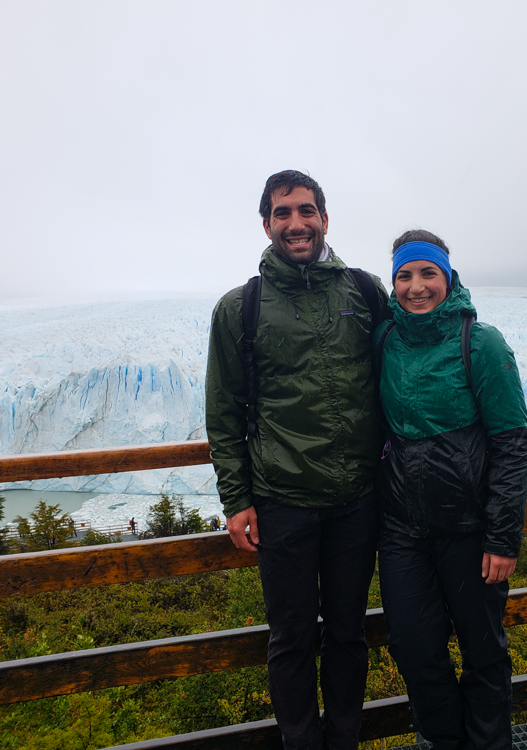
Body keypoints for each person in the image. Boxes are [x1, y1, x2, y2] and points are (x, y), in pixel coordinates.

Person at [205, 170, 389, 750]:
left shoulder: (362, 291)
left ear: (325, 220)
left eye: (306, 211)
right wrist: (236, 501)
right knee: (289, 638)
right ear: (266, 225)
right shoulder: (242, 307)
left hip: (357, 499)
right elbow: (225, 410)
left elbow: (401, 375)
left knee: (347, 634)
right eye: (283, 213)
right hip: (282, 502)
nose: (296, 223)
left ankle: (344, 740)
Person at [375, 230, 527, 750]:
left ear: (447, 277)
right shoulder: (385, 341)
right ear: (394, 281)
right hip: (403, 530)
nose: (416, 287)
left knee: (483, 651)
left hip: (470, 530)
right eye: (405, 275)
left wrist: (502, 538)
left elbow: (512, 444)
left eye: (427, 273)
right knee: (415, 649)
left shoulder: (480, 343)